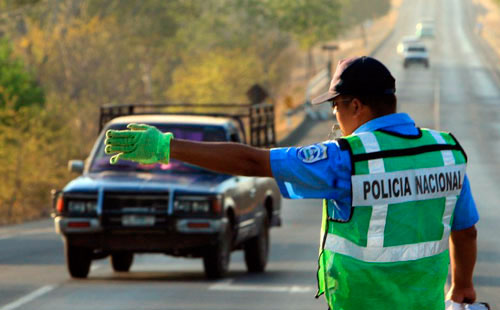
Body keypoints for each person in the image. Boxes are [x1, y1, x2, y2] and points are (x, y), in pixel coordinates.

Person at [104, 56, 479, 310]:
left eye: (336, 106)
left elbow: (252, 160)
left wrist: (166, 146)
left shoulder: (345, 158)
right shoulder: (447, 151)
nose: (335, 115)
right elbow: (465, 231)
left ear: (355, 106)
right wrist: (462, 287)